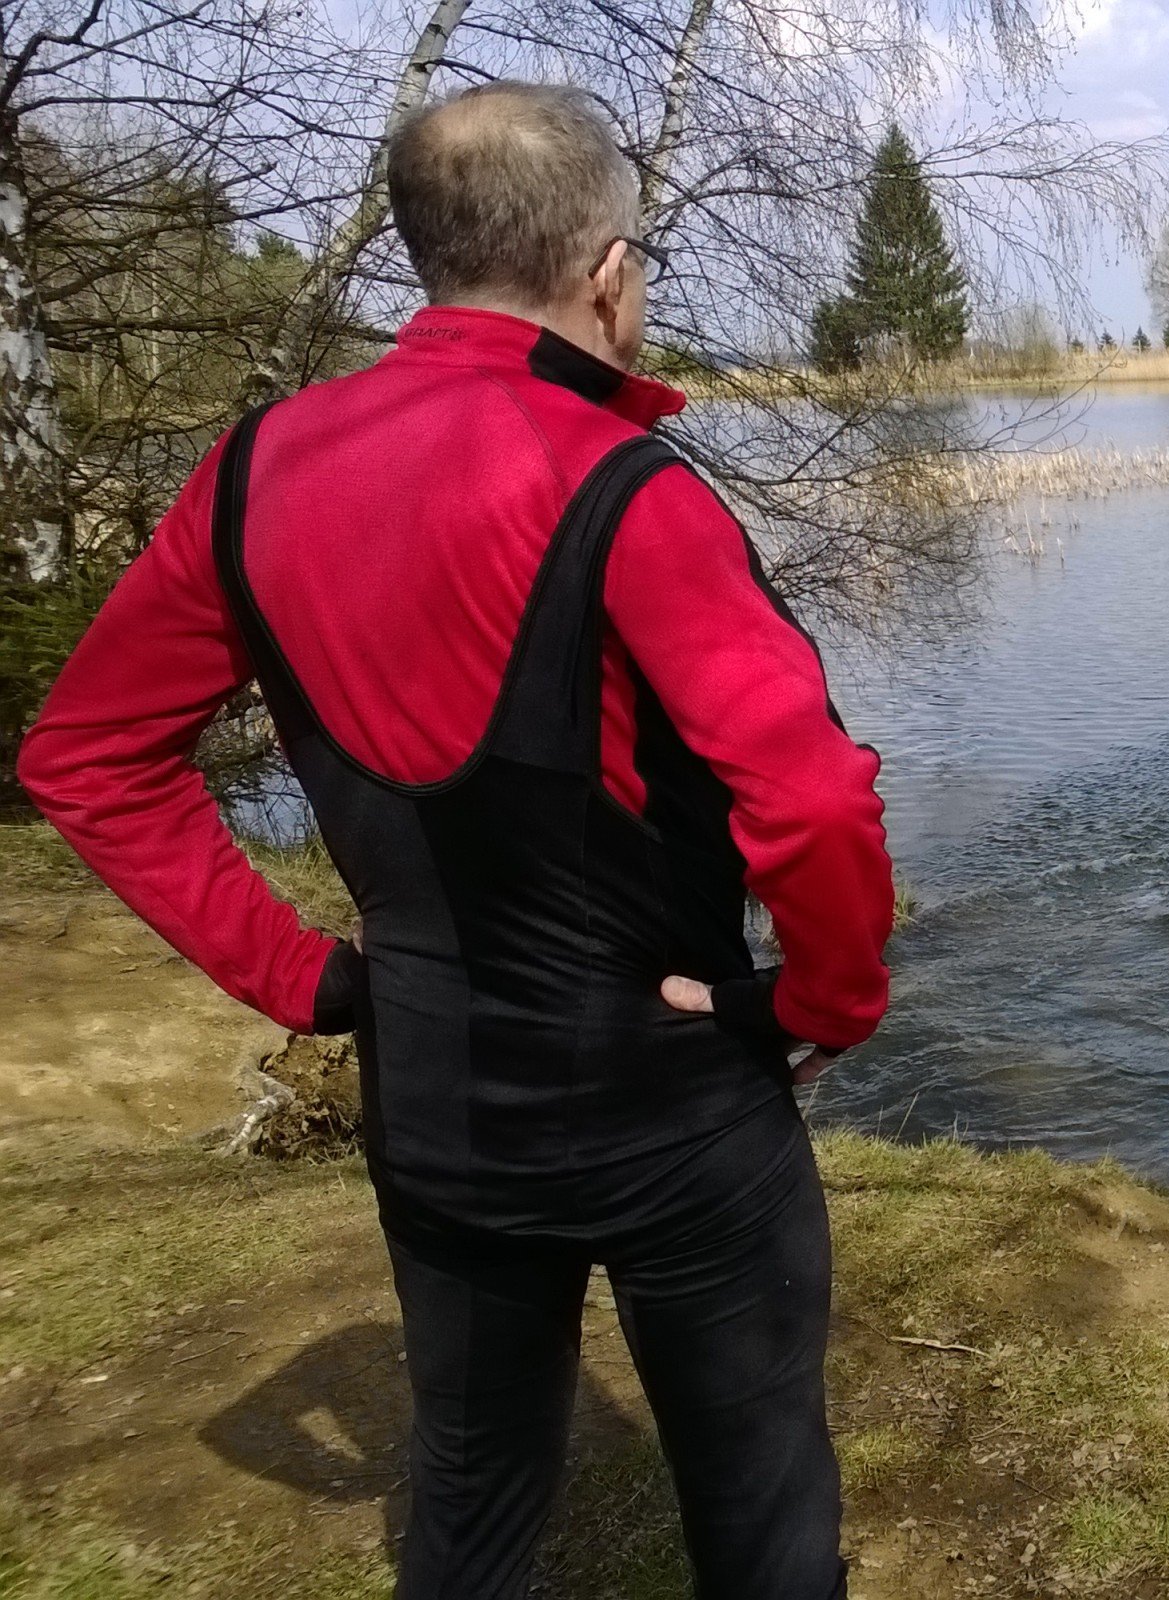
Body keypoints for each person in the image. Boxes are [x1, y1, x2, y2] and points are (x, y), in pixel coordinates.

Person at [15, 82, 889, 1600]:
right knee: (756, 1501)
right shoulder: (627, 490)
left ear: (427, 252)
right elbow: (810, 801)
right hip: (671, 1099)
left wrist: (306, 976)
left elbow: (87, 757)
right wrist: (819, 1005)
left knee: (473, 1503)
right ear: (607, 271)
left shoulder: (253, 472)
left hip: (437, 1101)